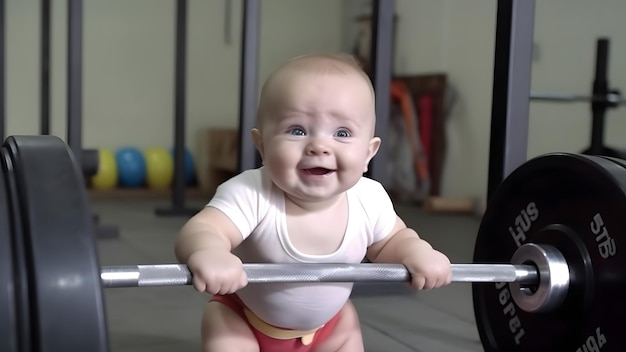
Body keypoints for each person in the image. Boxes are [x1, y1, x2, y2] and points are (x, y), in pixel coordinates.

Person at [174, 54, 452, 352]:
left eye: (342, 133)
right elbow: (203, 228)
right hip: (244, 324)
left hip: (329, 329)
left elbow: (392, 241)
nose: (319, 146)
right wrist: (209, 251)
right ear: (263, 146)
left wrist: (418, 251)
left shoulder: (368, 199)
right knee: (222, 326)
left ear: (369, 154)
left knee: (347, 324)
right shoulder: (250, 192)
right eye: (297, 130)